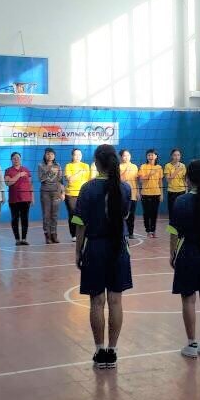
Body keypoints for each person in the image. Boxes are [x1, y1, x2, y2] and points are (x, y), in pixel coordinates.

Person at [73, 144, 133, 370]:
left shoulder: (87, 188)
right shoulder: (125, 188)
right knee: (116, 301)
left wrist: (78, 251)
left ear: (97, 163)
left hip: (95, 247)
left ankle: (100, 351)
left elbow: (80, 224)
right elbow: (125, 215)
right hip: (119, 247)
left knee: (97, 301)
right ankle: (112, 351)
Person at [169, 160, 200, 358]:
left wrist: (173, 253)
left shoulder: (181, 201)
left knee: (188, 299)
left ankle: (191, 345)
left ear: (188, 178)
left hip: (187, 251)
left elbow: (174, 232)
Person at [4, 152, 34, 246]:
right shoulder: (8, 170)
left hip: (26, 198)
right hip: (14, 199)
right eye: (14, 158)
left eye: (18, 158)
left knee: (25, 219)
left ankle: (24, 239)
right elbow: (8, 183)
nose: (16, 159)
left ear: (20, 159)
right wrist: (19, 175)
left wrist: (32, 197)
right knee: (15, 219)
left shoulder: (26, 170)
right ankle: (17, 239)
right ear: (11, 160)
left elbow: (30, 184)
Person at [63, 148, 89, 243]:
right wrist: (79, 172)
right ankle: (74, 234)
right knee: (73, 214)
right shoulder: (68, 166)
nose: (78, 156)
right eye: (76, 154)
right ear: (72, 156)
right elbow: (70, 180)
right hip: (71, 194)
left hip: (83, 194)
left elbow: (89, 180)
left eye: (79, 155)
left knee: (83, 214)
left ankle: (83, 233)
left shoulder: (86, 166)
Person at [38, 148, 63, 244]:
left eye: (52, 154)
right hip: (45, 192)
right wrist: (50, 172)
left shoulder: (58, 165)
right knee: (46, 215)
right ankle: (47, 235)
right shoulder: (41, 165)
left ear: (54, 156)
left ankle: (54, 234)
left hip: (56, 192)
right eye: (48, 154)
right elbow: (41, 179)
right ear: (45, 155)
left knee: (54, 215)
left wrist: (62, 193)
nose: (50, 156)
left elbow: (60, 180)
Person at [138, 148, 164, 238]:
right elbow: (141, 180)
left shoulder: (159, 167)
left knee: (154, 213)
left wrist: (161, 194)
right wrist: (150, 174)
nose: (150, 156)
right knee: (147, 213)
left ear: (156, 156)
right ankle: (148, 231)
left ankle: (153, 230)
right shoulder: (143, 166)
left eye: (152, 155)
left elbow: (160, 182)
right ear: (146, 157)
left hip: (156, 193)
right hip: (145, 193)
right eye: (148, 155)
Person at [119, 149, 139, 239]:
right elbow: (118, 179)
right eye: (124, 155)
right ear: (121, 157)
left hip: (133, 194)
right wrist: (124, 171)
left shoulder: (134, 167)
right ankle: (123, 232)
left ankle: (131, 233)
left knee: (131, 215)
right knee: (122, 214)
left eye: (128, 155)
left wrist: (138, 192)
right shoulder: (118, 167)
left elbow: (136, 181)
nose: (126, 157)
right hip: (122, 194)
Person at [164, 148, 186, 216]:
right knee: (172, 211)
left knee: (181, 211)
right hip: (172, 192)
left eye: (178, 155)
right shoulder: (167, 166)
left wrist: (186, 190)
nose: (177, 157)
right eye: (175, 155)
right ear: (171, 156)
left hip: (182, 191)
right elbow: (168, 180)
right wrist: (177, 171)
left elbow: (184, 179)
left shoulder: (183, 165)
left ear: (180, 156)